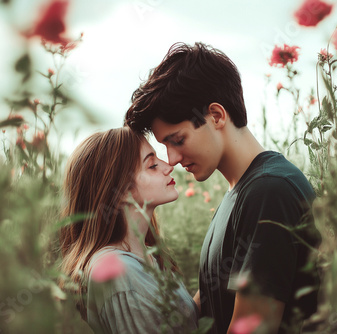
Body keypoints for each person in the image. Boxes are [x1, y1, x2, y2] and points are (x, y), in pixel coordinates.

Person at [125, 42, 321, 334]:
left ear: (216, 115)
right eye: (164, 146)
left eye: (177, 140)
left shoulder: (269, 191)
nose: (173, 159)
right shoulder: (241, 192)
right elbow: (214, 305)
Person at [59, 127, 199, 334]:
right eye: (152, 165)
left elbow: (183, 324)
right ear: (121, 192)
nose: (168, 165)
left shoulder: (145, 257)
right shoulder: (117, 273)